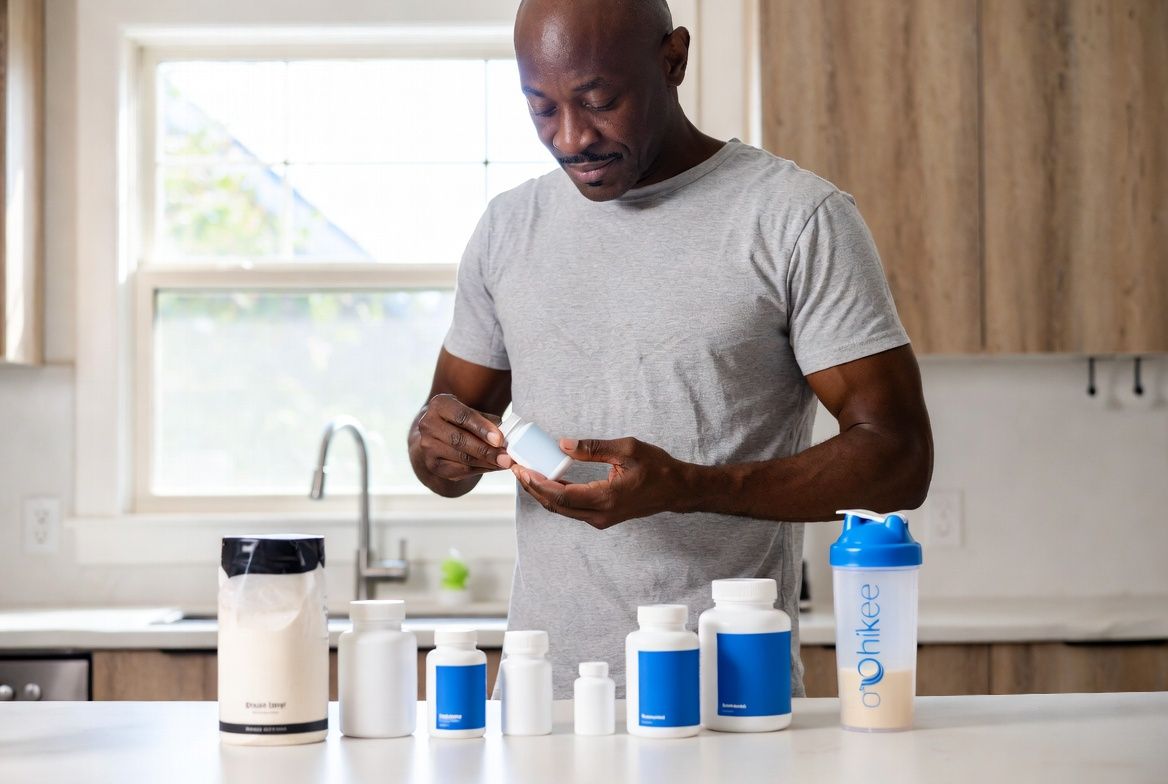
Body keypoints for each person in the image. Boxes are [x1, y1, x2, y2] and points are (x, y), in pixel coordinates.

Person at [408, 0, 933, 698]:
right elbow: (442, 455)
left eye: (600, 102)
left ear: (673, 59)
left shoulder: (795, 219)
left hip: (732, 698)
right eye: (541, 108)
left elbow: (900, 460)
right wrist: (437, 447)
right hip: (543, 707)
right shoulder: (508, 229)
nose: (571, 137)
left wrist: (688, 487)